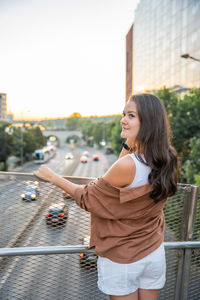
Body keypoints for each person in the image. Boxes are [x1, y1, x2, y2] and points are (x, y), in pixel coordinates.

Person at [34, 93, 178, 300]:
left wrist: (52, 177)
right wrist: (129, 143)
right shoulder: (168, 158)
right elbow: (119, 178)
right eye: (123, 114)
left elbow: (88, 197)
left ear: (148, 122)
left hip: (123, 258)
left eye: (131, 116)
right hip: (153, 251)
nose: (123, 120)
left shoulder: (128, 165)